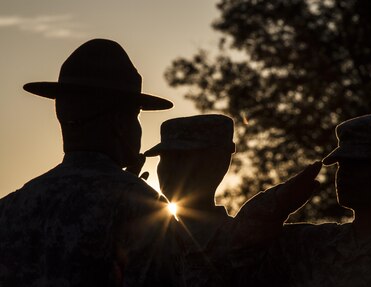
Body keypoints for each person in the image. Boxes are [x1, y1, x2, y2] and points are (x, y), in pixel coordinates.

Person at [0, 39, 175, 287]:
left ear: (61, 114)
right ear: (118, 120)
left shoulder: (9, 210)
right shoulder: (146, 211)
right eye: (135, 115)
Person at [252, 113, 371, 286]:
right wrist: (279, 204)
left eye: (359, 164)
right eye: (342, 165)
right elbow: (237, 260)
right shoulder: (312, 244)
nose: (343, 174)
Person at [144, 114, 321, 286]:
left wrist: (275, 205)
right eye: (164, 160)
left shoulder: (241, 240)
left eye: (180, 159)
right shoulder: (150, 234)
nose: (167, 170)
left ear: (215, 164)